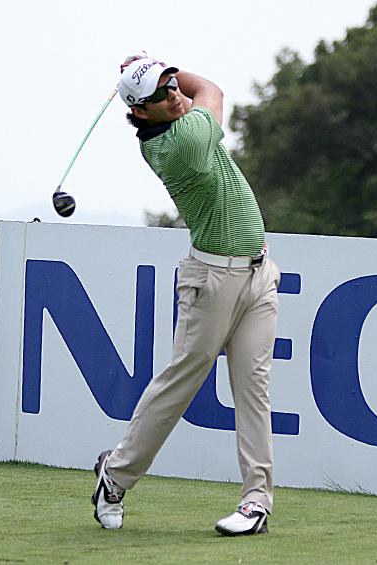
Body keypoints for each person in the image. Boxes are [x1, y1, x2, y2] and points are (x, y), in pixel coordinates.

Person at [91, 54, 281, 536]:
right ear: (140, 114)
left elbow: (193, 91)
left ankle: (256, 502)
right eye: (159, 95)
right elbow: (211, 88)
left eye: (171, 84)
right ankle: (115, 474)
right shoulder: (181, 142)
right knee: (181, 384)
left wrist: (152, 68)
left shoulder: (176, 113)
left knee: (253, 390)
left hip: (259, 275)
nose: (173, 95)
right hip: (211, 281)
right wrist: (158, 59)